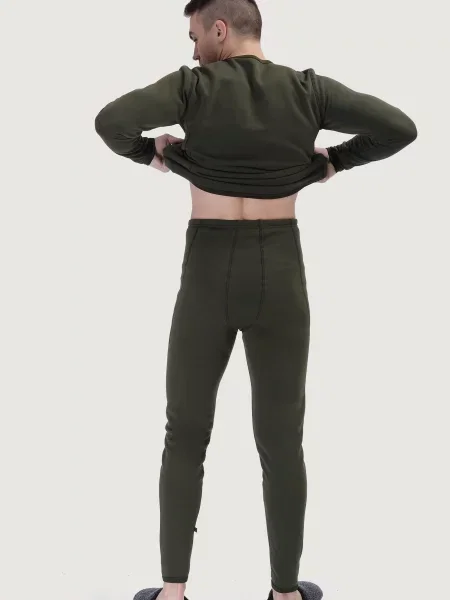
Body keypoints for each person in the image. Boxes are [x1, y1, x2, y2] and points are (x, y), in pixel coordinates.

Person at [94, 1, 418, 599]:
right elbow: (399, 128)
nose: (193, 50)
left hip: (207, 269)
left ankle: (173, 593)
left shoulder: (191, 87)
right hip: (279, 268)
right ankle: (286, 593)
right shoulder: (309, 92)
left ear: (219, 30)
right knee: (282, 438)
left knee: (185, 431)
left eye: (195, 35)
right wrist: (331, 163)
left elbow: (111, 121)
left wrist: (160, 154)